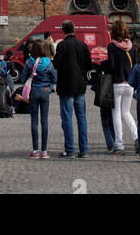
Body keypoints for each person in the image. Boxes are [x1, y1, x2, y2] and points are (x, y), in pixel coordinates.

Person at [54, 19, 93, 159]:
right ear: (74, 30)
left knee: (67, 118)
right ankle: (84, 149)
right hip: (80, 85)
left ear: (63, 31)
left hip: (66, 85)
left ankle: (69, 149)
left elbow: (56, 64)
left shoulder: (62, 46)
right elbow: (89, 64)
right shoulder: (83, 45)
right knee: (81, 117)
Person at [23, 38, 57, 158]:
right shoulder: (48, 62)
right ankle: (44, 151)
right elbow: (54, 78)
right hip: (45, 92)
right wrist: (48, 87)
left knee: (34, 121)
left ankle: (35, 150)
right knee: (44, 121)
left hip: (33, 92)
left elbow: (23, 78)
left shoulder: (29, 62)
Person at [108, 18, 138, 154]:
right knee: (127, 112)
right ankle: (137, 137)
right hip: (130, 84)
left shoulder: (112, 46)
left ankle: (119, 144)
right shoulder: (131, 46)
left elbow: (112, 66)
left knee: (116, 114)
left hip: (117, 84)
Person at [90, 55, 116, 152]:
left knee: (105, 123)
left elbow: (94, 79)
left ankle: (110, 145)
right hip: (113, 95)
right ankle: (115, 142)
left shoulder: (104, 64)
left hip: (103, 96)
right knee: (113, 122)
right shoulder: (116, 65)